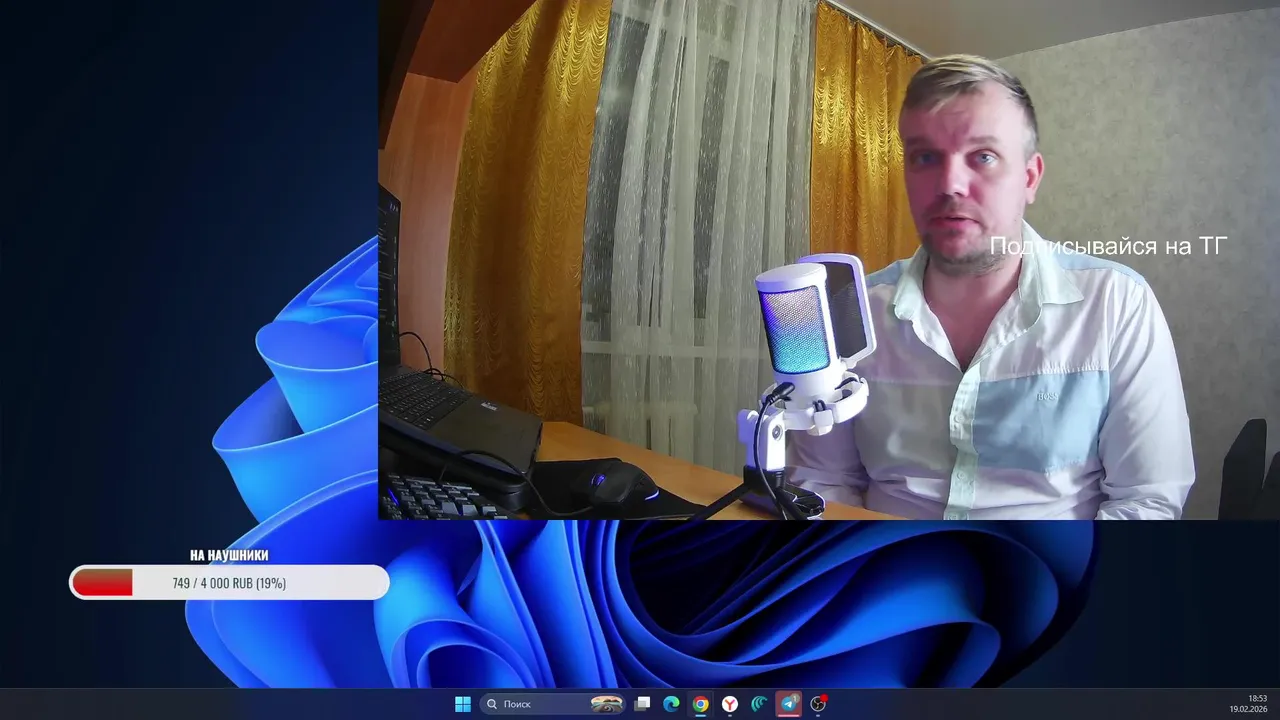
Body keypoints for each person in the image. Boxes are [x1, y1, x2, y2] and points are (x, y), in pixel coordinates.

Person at [788, 55, 1195, 520]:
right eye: (925, 157)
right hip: (891, 558)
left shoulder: (1117, 304)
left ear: (1029, 178)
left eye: (983, 156)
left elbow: (1147, 500)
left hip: (1050, 562)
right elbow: (823, 479)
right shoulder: (851, 313)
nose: (950, 184)